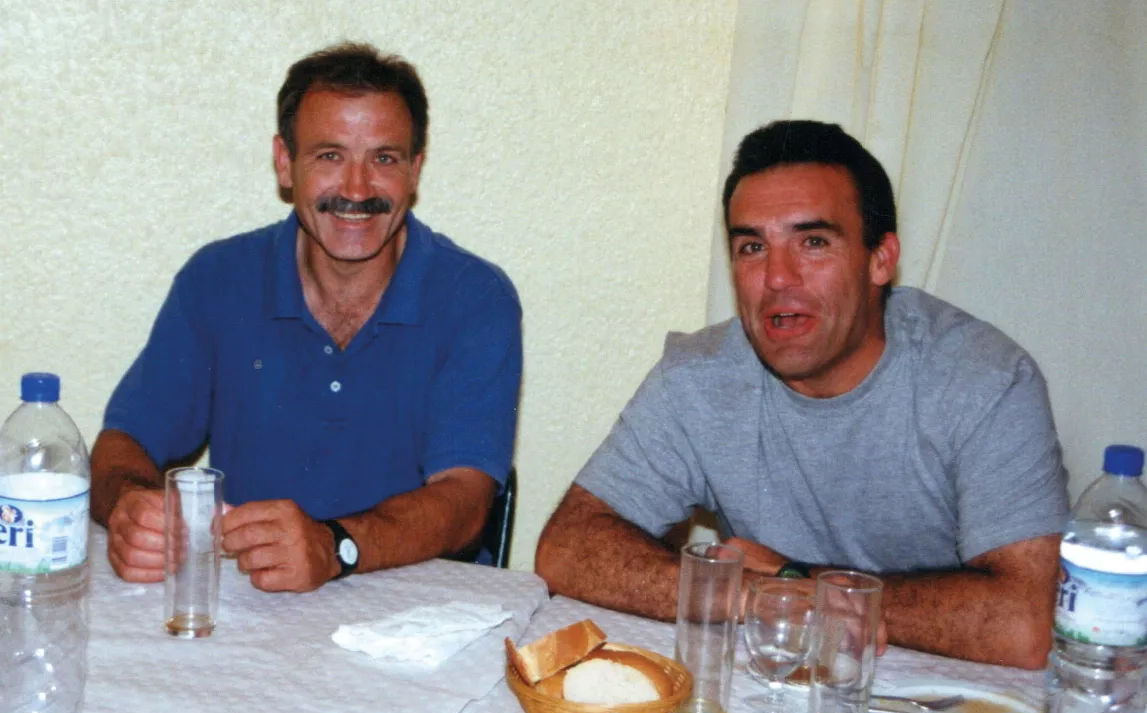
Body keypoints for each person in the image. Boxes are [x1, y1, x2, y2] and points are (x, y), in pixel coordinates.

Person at [535, 120, 1068, 670]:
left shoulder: (984, 380)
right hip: (776, 684)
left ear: (880, 259)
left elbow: (1026, 624)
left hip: (948, 698)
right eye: (752, 247)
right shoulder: (699, 377)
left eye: (813, 243)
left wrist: (799, 584)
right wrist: (753, 594)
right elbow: (567, 549)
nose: (777, 278)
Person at [92, 42, 522, 593]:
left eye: (384, 159)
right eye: (329, 156)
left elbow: (465, 502)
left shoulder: (475, 298)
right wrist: (129, 506)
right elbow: (124, 441)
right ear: (284, 162)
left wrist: (335, 545)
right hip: (252, 599)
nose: (356, 189)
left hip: (417, 608)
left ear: (415, 170)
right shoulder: (218, 279)